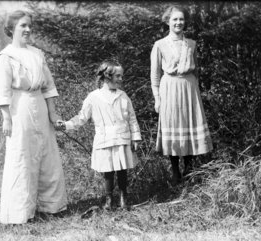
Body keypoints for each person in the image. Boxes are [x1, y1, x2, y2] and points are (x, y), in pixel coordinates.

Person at [0, 10, 67, 224]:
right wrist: (6, 117)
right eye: (22, 26)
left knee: (47, 154)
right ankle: (20, 212)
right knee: (22, 156)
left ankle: (51, 206)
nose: (27, 30)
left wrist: (52, 112)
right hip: (20, 108)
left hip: (40, 106)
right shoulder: (5, 56)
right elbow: (3, 90)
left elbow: (49, 85)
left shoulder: (37, 53)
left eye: (29, 26)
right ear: (11, 29)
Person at [57, 61, 142, 210]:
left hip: (121, 138)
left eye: (121, 76)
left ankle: (123, 199)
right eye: (117, 76)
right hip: (104, 139)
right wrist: (67, 124)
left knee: (122, 170)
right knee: (108, 171)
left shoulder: (123, 96)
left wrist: (135, 136)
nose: (121, 79)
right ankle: (108, 200)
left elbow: (132, 118)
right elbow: (82, 117)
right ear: (107, 76)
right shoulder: (93, 97)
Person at [150, 5, 213, 185]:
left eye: (181, 19)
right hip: (169, 88)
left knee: (189, 124)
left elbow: (197, 70)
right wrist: (157, 98)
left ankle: (190, 170)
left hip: (189, 88)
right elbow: (155, 75)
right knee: (173, 125)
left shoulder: (191, 44)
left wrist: (196, 90)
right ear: (168, 21)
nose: (178, 23)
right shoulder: (159, 45)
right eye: (175, 19)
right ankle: (175, 172)